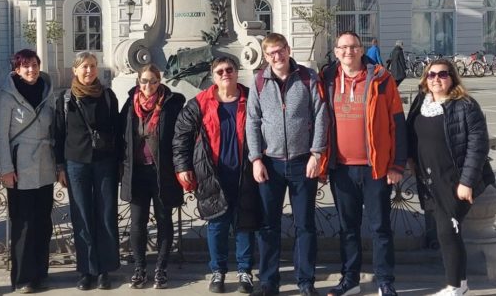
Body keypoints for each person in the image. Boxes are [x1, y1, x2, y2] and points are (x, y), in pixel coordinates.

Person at [319, 32, 406, 296]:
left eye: (353, 46)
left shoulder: (381, 78)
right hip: (342, 168)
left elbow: (398, 123)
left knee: (380, 227)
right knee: (348, 227)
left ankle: (384, 281)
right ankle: (351, 279)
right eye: (343, 47)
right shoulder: (327, 80)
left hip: (376, 167)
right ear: (336, 52)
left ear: (361, 50)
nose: (348, 51)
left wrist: (397, 165)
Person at [246, 33, 328, 296]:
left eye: (280, 51)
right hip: (271, 163)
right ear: (265, 55)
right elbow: (252, 121)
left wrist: (317, 153)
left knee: (304, 224)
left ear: (288, 50)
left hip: (303, 162)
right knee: (268, 225)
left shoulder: (307, 77)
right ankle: (269, 281)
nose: (276, 57)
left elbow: (320, 114)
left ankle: (305, 282)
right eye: (270, 53)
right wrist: (256, 158)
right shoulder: (259, 81)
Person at [405, 58, 494, 296]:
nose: (436, 79)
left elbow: (478, 145)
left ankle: (456, 286)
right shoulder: (420, 102)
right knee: (445, 231)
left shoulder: (465, 104)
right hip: (429, 178)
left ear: (452, 77)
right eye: (431, 75)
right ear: (425, 79)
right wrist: (410, 159)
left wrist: (466, 182)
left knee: (448, 230)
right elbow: (410, 134)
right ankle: (458, 283)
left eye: (442, 74)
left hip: (454, 179)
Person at [173, 56, 261, 294]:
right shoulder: (199, 103)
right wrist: (182, 167)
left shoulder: (252, 98)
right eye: (220, 71)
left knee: (245, 223)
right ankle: (218, 271)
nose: (225, 74)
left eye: (229, 70)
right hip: (212, 173)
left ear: (236, 72)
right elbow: (181, 137)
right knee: (217, 224)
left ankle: (245, 271)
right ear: (213, 76)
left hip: (245, 172)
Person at [55, 52, 122, 290]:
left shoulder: (107, 96)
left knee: (105, 215)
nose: (89, 71)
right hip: (76, 163)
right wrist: (59, 167)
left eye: (92, 66)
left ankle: (105, 269)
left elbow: (118, 129)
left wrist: (120, 163)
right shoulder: (65, 99)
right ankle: (86, 269)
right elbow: (58, 135)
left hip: (104, 162)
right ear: (75, 70)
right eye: (84, 67)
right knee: (81, 216)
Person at [119, 64, 185, 289]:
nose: (149, 86)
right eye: (144, 81)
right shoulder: (130, 105)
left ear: (160, 81)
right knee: (138, 223)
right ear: (138, 81)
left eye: (153, 81)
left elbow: (181, 136)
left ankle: (161, 268)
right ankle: (139, 268)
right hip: (138, 172)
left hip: (162, 173)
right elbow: (122, 136)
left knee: (164, 221)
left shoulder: (172, 104)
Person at [0, 49, 57, 294]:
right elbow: (1, 136)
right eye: (25, 66)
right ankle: (22, 277)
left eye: (34, 64)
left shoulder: (47, 92)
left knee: (43, 223)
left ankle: (40, 273)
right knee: (23, 224)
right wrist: (6, 169)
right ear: (16, 70)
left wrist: (58, 165)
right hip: (19, 169)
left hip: (44, 167)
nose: (31, 70)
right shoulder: (7, 98)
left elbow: (54, 130)